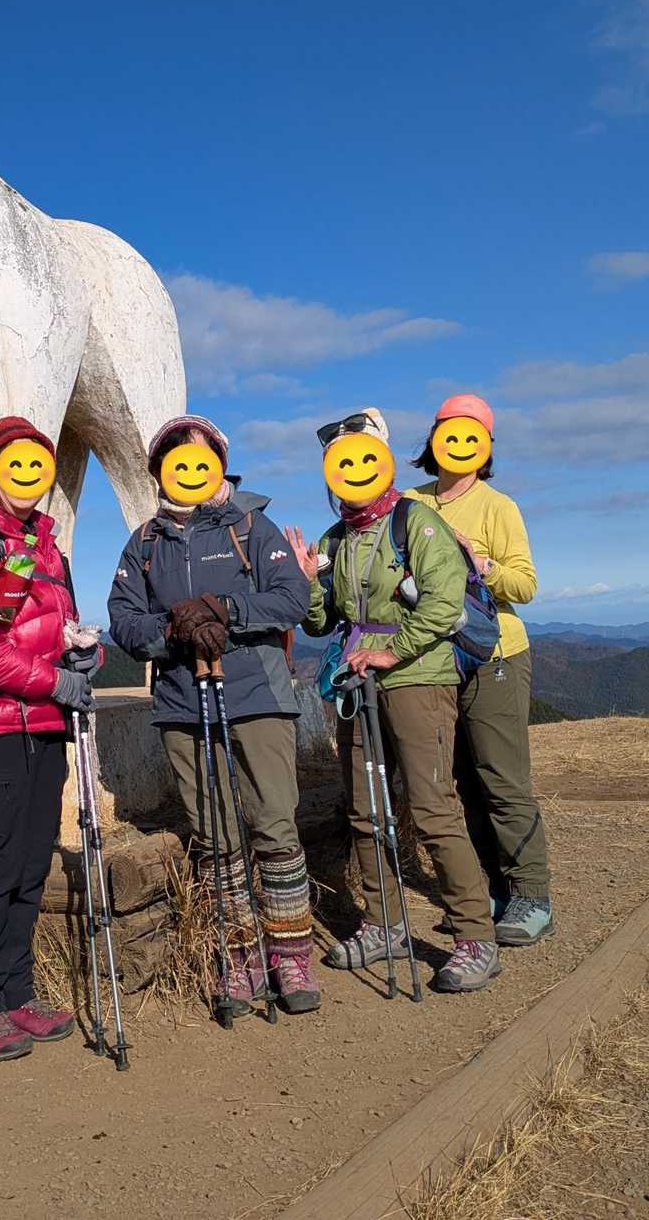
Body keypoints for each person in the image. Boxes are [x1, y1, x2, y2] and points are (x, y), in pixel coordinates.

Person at [108, 415, 319, 1015]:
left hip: (257, 696)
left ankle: (290, 954)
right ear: (159, 474)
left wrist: (224, 609)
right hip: (183, 702)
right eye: (174, 463)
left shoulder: (252, 526)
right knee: (216, 835)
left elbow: (292, 598)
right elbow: (124, 621)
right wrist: (175, 628)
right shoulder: (144, 544)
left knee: (274, 824)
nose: (188, 471)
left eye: (201, 459)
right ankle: (238, 955)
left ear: (220, 465)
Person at [289, 407, 501, 992]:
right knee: (363, 810)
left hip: (419, 679)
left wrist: (392, 651)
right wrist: (308, 583)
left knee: (433, 808)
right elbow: (319, 623)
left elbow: (444, 601)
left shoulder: (416, 522)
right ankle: (384, 923)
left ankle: (475, 936)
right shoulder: (336, 539)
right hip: (357, 684)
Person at [0, 416, 96, 1062]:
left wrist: (79, 652)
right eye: (15, 463)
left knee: (30, 867)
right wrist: (54, 682)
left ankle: (14, 994)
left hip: (45, 730)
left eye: (38, 463)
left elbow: (44, 629)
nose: (28, 475)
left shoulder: (42, 548)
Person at [405, 393, 552, 946]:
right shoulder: (411, 503)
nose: (459, 444)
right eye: (450, 431)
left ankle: (531, 895)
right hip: (435, 660)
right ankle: (489, 890)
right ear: (434, 440)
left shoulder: (497, 506)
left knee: (502, 779)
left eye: (473, 435)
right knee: (462, 779)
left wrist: (482, 565)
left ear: (485, 447)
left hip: (495, 655)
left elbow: (526, 585)